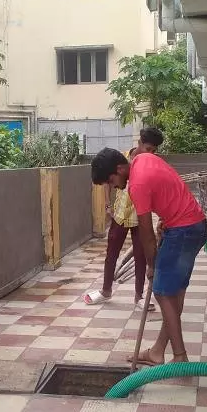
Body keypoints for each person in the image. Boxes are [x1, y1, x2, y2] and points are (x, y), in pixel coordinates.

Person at [91, 147, 207, 365]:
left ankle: (180, 357)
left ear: (119, 168)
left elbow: (146, 233)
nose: (114, 186)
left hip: (182, 231)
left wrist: (151, 266)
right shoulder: (144, 158)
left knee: (161, 292)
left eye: (112, 180)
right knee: (175, 295)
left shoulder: (137, 185)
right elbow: (168, 188)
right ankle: (157, 351)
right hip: (194, 225)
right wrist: (167, 217)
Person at [83, 127, 164, 310]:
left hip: (139, 215)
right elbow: (107, 183)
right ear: (140, 144)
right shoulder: (120, 160)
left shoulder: (152, 163)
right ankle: (105, 291)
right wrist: (107, 205)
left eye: (154, 151)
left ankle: (139, 297)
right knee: (111, 252)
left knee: (141, 255)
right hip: (120, 213)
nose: (151, 153)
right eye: (148, 148)